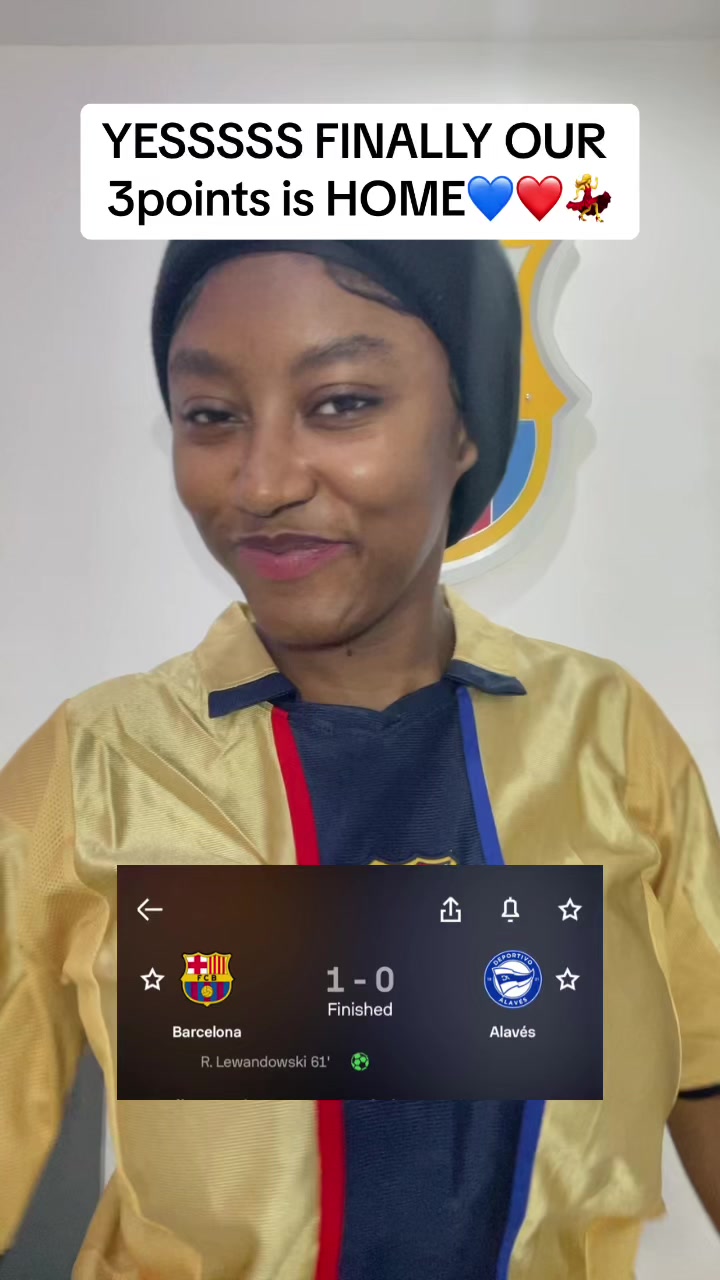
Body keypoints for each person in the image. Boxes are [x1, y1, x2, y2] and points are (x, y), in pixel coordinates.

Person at [0, 238, 718, 1280]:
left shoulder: (605, 733)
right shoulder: (97, 767)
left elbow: (706, 1064)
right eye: (212, 415)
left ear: (467, 427)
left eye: (341, 403)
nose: (263, 481)